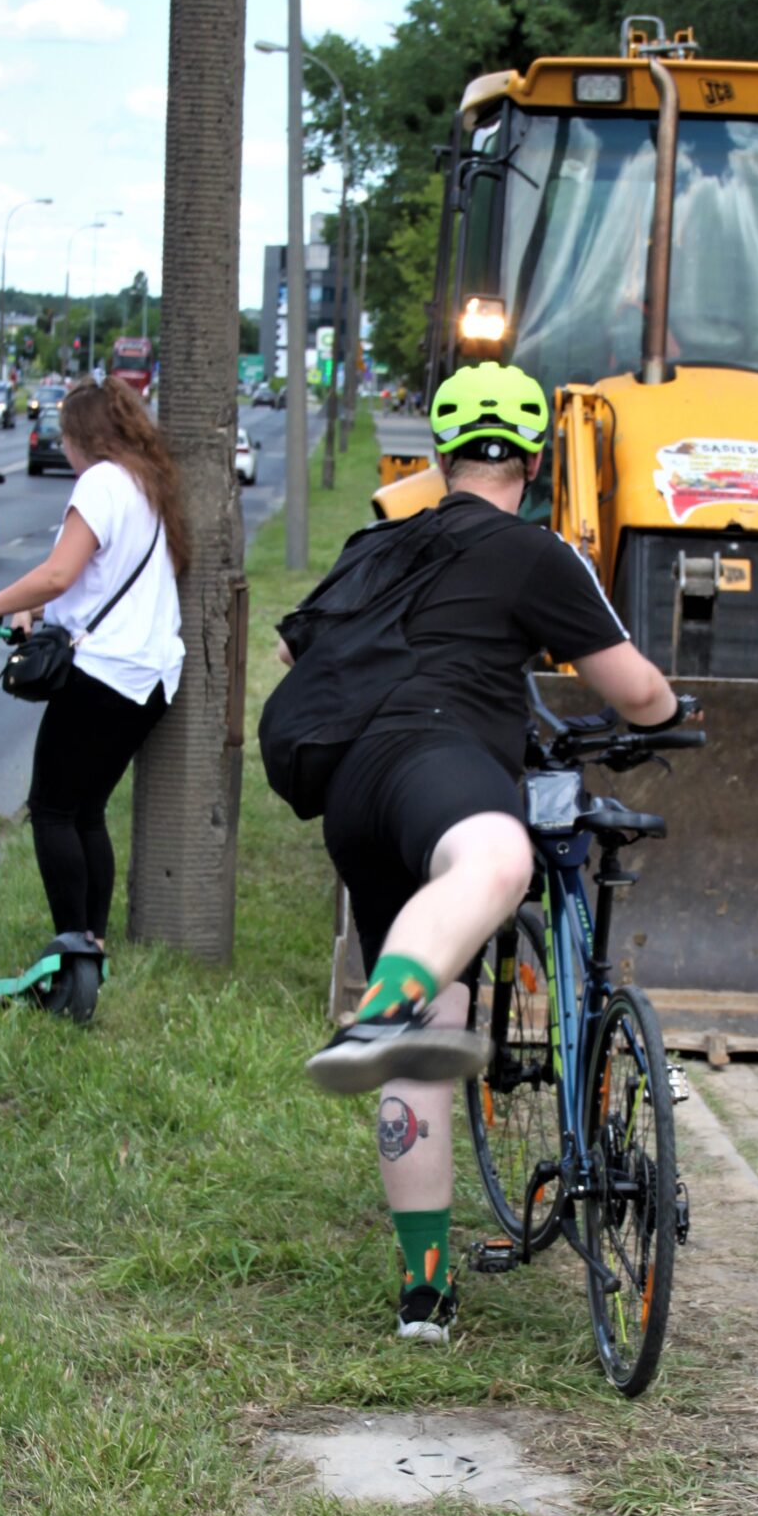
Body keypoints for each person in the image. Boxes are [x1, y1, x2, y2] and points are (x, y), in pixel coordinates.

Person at [294, 359, 680, 1345]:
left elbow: (307, 653)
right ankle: (382, 1010)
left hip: (356, 794)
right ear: (535, 458)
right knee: (497, 859)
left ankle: (425, 1291)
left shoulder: (375, 544)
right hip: (438, 765)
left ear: (444, 451)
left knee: (439, 1016)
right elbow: (635, 690)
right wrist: (673, 713)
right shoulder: (533, 553)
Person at [0, 375, 186, 961]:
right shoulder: (147, 485)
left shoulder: (99, 483)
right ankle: (90, 942)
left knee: (50, 809)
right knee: (85, 809)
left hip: (105, 675)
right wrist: (31, 609)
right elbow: (104, 579)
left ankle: (72, 949)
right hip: (151, 679)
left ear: (79, 437)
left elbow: (58, 573)